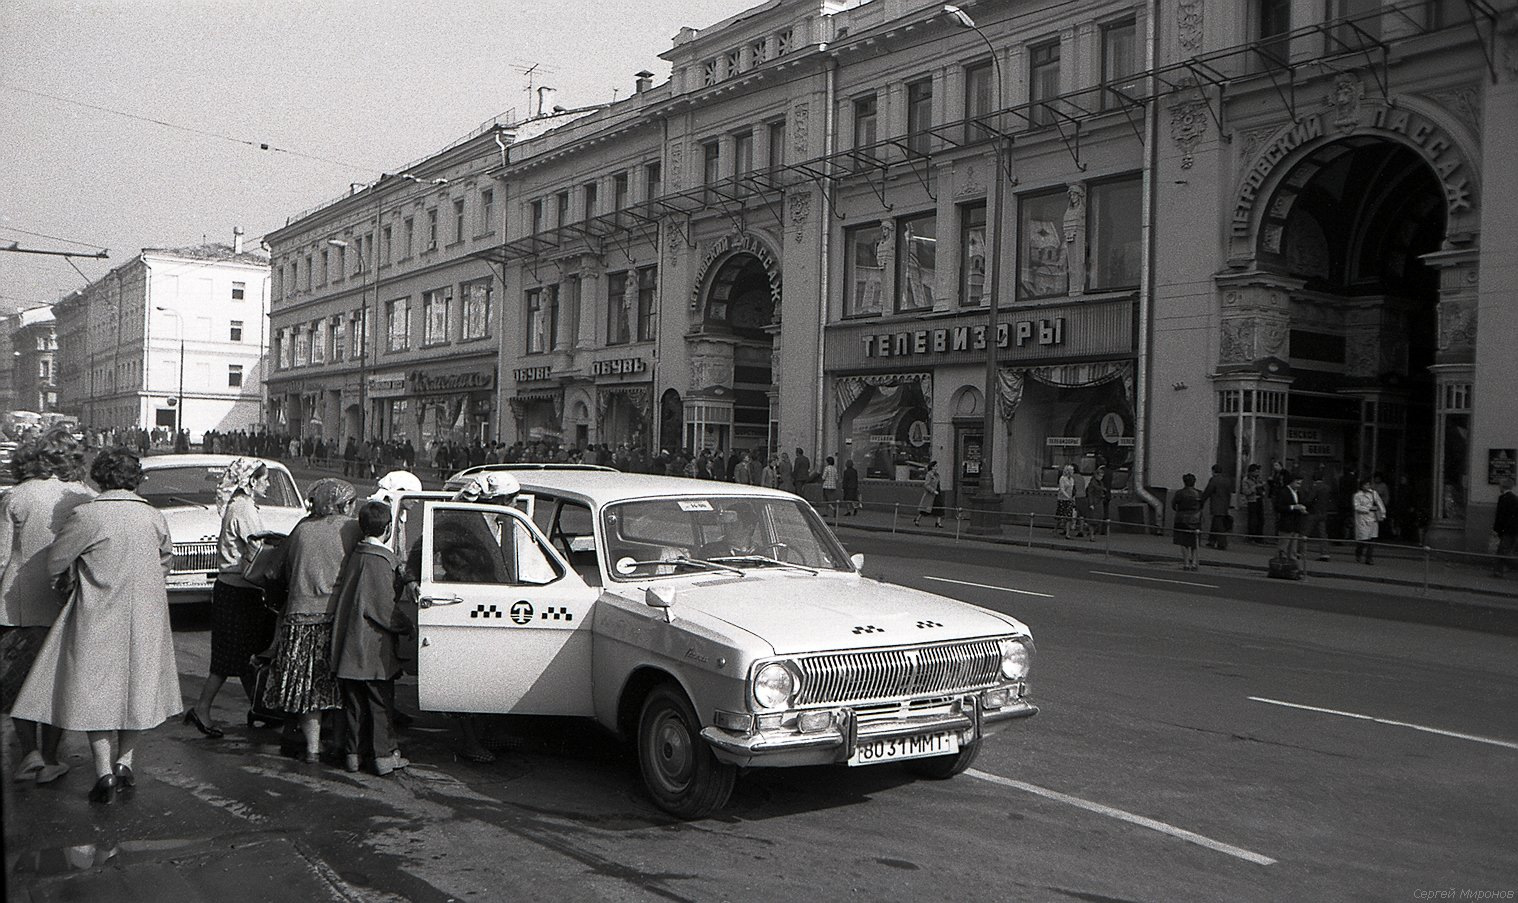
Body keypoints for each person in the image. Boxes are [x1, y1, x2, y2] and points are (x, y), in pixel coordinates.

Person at [12, 447, 181, 804]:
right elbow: (165, 561)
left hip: (98, 613)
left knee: (96, 691)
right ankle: (125, 761)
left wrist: (72, 581)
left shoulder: (87, 515)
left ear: (100, 477)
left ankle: (103, 771)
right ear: (136, 479)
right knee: (138, 687)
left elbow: (56, 563)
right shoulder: (152, 516)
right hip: (147, 613)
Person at [0, 430, 96, 785]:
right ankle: (53, 756)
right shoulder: (85, 497)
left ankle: (30, 754)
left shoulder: (16, 496)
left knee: (19, 682)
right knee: (57, 683)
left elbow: (0, 557)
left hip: (17, 604)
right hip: (66, 603)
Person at [263, 479, 360, 764]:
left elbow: (273, 570)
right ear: (342, 504)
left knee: (307, 691)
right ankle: (340, 743)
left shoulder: (302, 529)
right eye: (351, 503)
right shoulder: (351, 528)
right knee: (338, 687)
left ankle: (313, 748)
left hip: (298, 619)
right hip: (337, 620)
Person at [186, 459, 276, 739]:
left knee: (248, 654)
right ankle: (202, 709)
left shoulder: (239, 506)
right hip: (239, 589)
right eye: (264, 480)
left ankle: (260, 708)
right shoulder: (244, 509)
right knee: (229, 658)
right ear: (251, 482)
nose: (268, 484)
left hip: (234, 588)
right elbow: (257, 549)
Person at [330, 501, 412, 776]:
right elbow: (383, 609)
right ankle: (383, 756)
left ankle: (353, 755)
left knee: (354, 705)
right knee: (379, 704)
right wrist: (406, 626)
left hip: (349, 647)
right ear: (388, 528)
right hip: (373, 647)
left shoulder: (357, 554)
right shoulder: (379, 560)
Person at [1171, 472, 1204, 571]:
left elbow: (1173, 505)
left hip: (1181, 519)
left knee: (1183, 542)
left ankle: (1186, 563)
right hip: (1195, 519)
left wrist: (1179, 511)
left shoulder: (1179, 493)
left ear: (1184, 482)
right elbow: (1201, 505)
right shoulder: (1199, 493)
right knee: (1194, 542)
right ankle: (1194, 563)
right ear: (1194, 482)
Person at [1352, 477, 1388, 565]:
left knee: (1372, 539)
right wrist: (1368, 508)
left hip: (1373, 519)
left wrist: (1383, 514)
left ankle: (1369, 558)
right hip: (1362, 519)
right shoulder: (1357, 495)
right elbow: (1357, 507)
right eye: (1365, 484)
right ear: (1362, 486)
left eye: (1368, 484)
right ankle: (1358, 553)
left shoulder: (1373, 493)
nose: (1367, 486)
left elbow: (1380, 503)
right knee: (1363, 540)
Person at [1275, 473, 1308, 565]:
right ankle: (1281, 565)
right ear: (1291, 482)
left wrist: (1301, 508)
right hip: (1286, 523)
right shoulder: (1283, 492)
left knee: (1293, 547)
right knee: (1283, 546)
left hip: (1295, 523)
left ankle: (1292, 565)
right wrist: (1293, 507)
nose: (1299, 484)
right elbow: (1278, 507)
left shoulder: (1297, 492)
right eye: (1297, 482)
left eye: (1300, 483)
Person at [1199, 464, 1234, 551]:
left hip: (1216, 505)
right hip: (1225, 505)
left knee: (1218, 525)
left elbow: (1208, 491)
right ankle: (1211, 540)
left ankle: (1222, 543)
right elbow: (1229, 493)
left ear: (1214, 471)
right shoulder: (1227, 480)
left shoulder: (1214, 480)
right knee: (1215, 523)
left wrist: (1201, 501)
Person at [1492, 478, 1518, 578]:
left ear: (1503, 487)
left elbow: (1500, 516)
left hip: (1505, 531)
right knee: (1504, 551)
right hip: (1514, 530)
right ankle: (1499, 570)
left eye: (1500, 485)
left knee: (1502, 551)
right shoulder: (1515, 498)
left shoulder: (1502, 498)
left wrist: (1497, 530)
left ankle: (1498, 571)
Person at [1305, 469, 1333, 562]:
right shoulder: (1327, 487)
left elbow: (1309, 500)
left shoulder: (1314, 487)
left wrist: (1305, 505)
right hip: (1323, 513)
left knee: (1305, 533)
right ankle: (1325, 553)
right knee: (1323, 534)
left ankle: (1299, 552)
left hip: (1313, 512)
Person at [1241, 463, 1266, 543]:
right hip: (1252, 500)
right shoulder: (1246, 480)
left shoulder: (1259, 479)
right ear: (1250, 472)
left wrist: (1262, 488)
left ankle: (1259, 537)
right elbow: (1245, 492)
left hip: (1259, 499)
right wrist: (1254, 487)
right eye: (1255, 472)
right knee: (1252, 519)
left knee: (1261, 519)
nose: (1257, 474)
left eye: (1258, 472)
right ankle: (1251, 537)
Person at [914, 461, 943, 528]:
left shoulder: (937, 475)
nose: (937, 467)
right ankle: (917, 519)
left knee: (940, 507)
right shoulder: (929, 474)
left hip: (938, 493)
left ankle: (938, 522)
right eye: (935, 466)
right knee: (925, 509)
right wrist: (933, 490)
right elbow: (926, 485)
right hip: (931, 494)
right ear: (932, 467)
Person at [1054, 464, 1078, 538]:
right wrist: (1067, 496)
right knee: (1060, 515)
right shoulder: (1062, 478)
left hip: (1069, 499)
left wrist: (1072, 497)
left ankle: (1067, 533)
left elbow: (1072, 489)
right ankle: (1056, 528)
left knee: (1068, 516)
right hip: (1062, 499)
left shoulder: (1072, 479)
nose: (1073, 472)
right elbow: (1062, 489)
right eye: (1072, 470)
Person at [1085, 465, 1110, 534]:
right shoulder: (1092, 483)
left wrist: (1103, 494)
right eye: (1100, 476)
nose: (1101, 478)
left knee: (1099, 518)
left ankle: (1092, 532)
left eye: (1102, 476)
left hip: (1099, 502)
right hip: (1094, 502)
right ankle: (1091, 533)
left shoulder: (1101, 483)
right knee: (1093, 519)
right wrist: (1091, 503)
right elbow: (1090, 493)